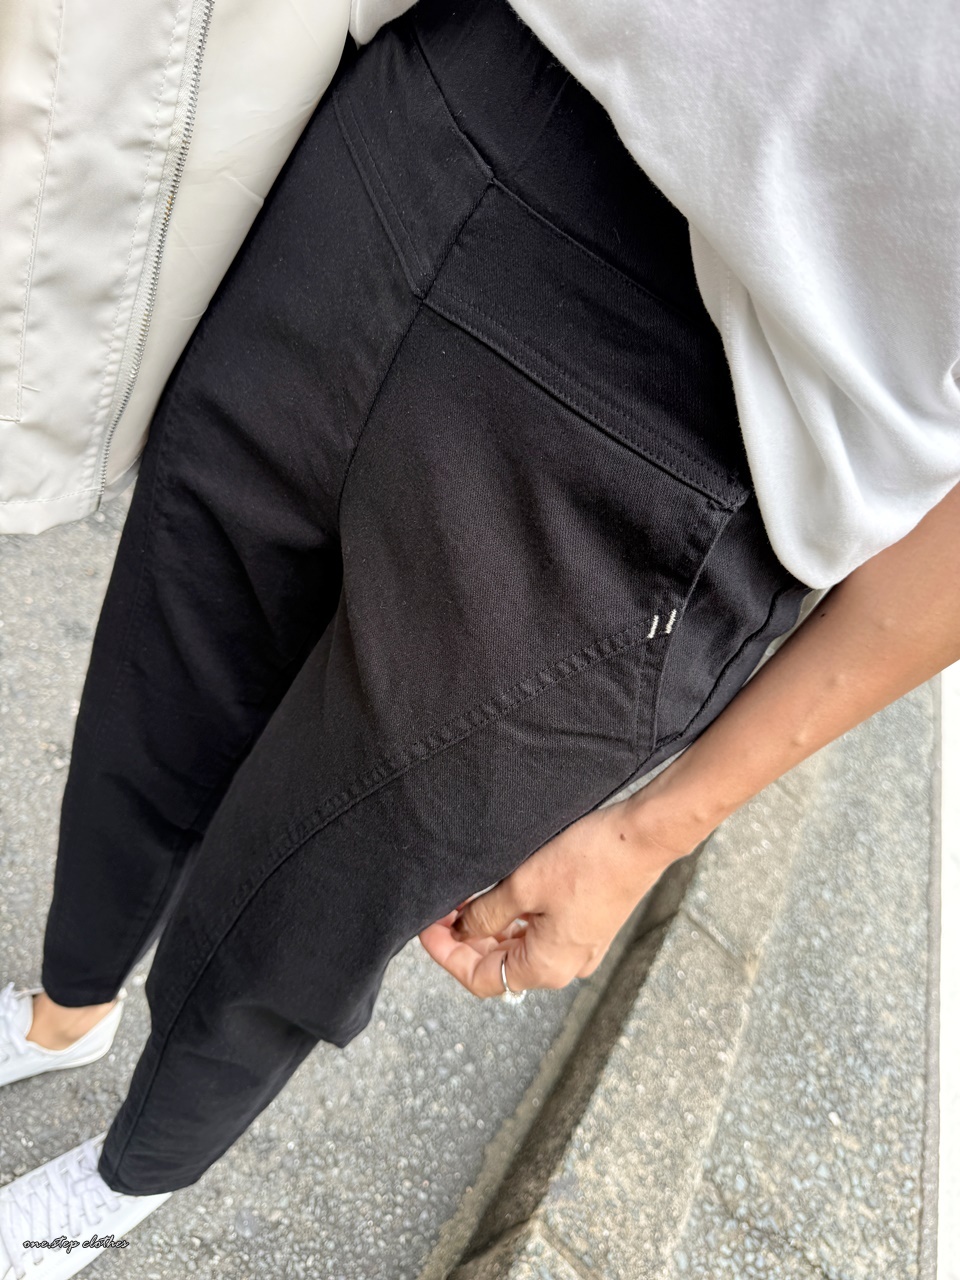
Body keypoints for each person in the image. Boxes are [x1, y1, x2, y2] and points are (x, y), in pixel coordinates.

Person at [0, 0, 958, 1275]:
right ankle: (69, 1008)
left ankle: (129, 1175)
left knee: (311, 895)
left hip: (720, 421)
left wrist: (653, 831)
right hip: (461, 96)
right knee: (159, 670)